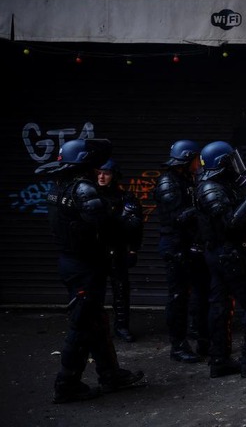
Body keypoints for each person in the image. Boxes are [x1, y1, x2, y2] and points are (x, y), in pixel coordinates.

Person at [38, 139, 144, 403]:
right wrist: (129, 221)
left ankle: (110, 375)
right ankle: (66, 384)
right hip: (84, 266)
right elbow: (108, 227)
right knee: (82, 325)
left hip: (73, 263)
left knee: (96, 322)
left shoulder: (59, 186)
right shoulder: (83, 188)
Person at [195, 141, 246, 378]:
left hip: (220, 254)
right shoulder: (212, 189)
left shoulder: (216, 186)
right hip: (229, 254)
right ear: (222, 164)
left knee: (221, 306)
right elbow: (232, 223)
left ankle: (220, 360)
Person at [154, 139, 210, 363]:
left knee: (199, 292)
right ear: (188, 159)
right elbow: (177, 217)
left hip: (190, 245)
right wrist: (200, 208)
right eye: (196, 159)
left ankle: (199, 336)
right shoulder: (168, 182)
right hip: (175, 246)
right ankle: (177, 346)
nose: (199, 163)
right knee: (178, 297)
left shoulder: (186, 179)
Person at [96, 159, 143, 343]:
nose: (101, 177)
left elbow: (135, 227)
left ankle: (122, 327)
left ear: (114, 176)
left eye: (106, 173)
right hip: (97, 251)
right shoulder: (89, 196)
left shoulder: (126, 198)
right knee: (93, 292)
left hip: (118, 250)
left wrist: (133, 250)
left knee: (121, 291)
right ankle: (96, 328)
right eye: (99, 172)